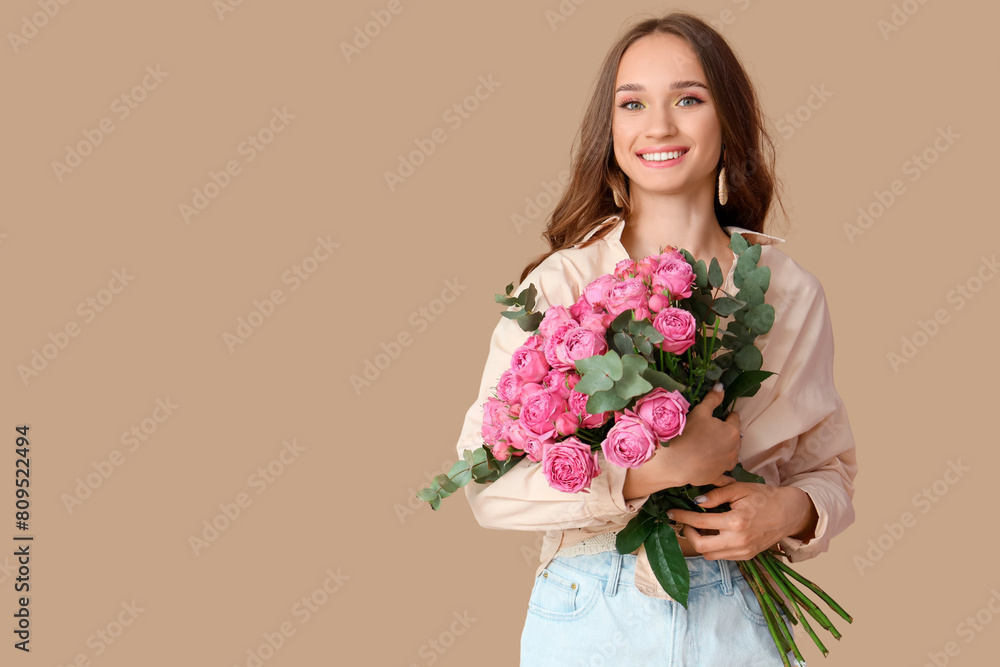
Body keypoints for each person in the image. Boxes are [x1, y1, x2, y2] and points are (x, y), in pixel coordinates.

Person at [452, 11, 858, 666]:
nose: (659, 125)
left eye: (689, 99)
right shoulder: (561, 286)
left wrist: (787, 511)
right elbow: (485, 483)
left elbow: (829, 468)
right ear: (609, 130)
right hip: (592, 607)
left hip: (743, 611)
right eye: (633, 102)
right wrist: (643, 474)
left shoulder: (790, 290)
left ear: (727, 120)